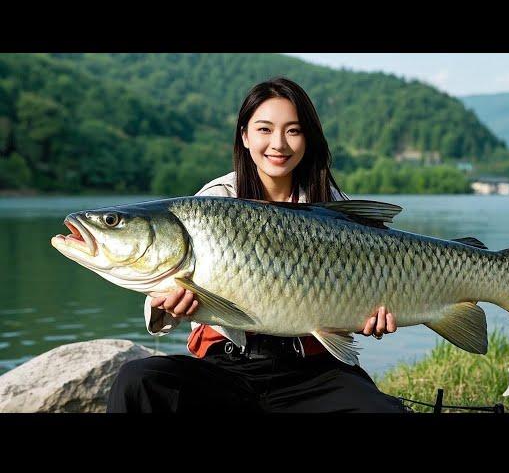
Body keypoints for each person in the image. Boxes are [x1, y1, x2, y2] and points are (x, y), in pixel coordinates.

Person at [106, 77, 409, 413]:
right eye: (264, 129)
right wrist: (165, 306)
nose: (278, 143)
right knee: (137, 380)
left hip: (315, 371)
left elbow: (364, 295)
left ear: (308, 138)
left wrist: (370, 317)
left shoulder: (333, 206)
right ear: (245, 135)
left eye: (293, 130)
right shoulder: (210, 203)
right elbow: (160, 303)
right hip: (226, 368)